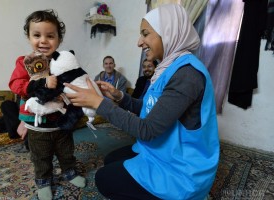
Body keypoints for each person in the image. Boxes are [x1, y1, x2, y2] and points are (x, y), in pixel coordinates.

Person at [64, 3, 219, 200]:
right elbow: (151, 108)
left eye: (145, 34)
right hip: (165, 152)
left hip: (182, 170)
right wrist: (120, 97)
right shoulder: (169, 67)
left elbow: (147, 130)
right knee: (111, 159)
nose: (140, 42)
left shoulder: (186, 75)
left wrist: (99, 104)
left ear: (168, 33)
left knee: (104, 179)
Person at [8, 10, 85, 200]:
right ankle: (43, 180)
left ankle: (69, 172)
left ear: (58, 39)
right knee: (41, 156)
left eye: (50, 36)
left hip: (61, 119)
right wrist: (39, 84)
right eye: (37, 35)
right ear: (29, 37)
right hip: (37, 124)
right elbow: (15, 85)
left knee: (66, 150)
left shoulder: (64, 60)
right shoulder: (25, 62)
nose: (43, 41)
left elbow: (74, 80)